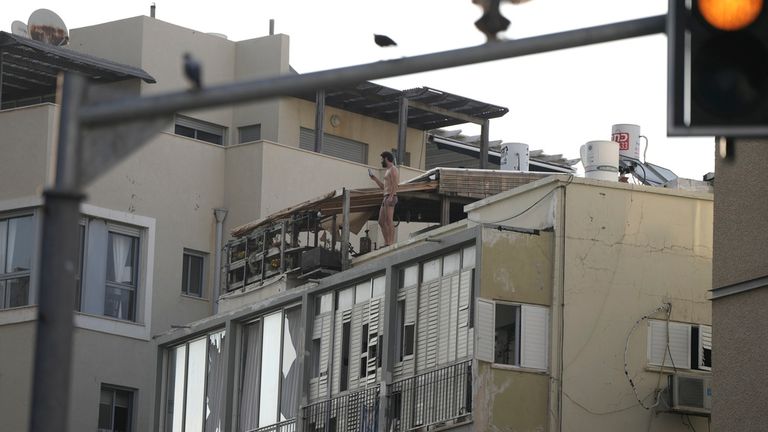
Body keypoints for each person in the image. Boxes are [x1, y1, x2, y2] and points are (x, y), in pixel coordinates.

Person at [369, 151, 399, 247]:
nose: (381, 161)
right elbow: (384, 187)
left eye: (382, 159)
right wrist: (374, 179)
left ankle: (390, 242)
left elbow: (395, 184)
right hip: (386, 197)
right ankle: (387, 242)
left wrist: (391, 196)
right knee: (381, 221)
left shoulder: (393, 169)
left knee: (389, 220)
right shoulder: (387, 170)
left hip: (391, 196)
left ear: (386, 158)